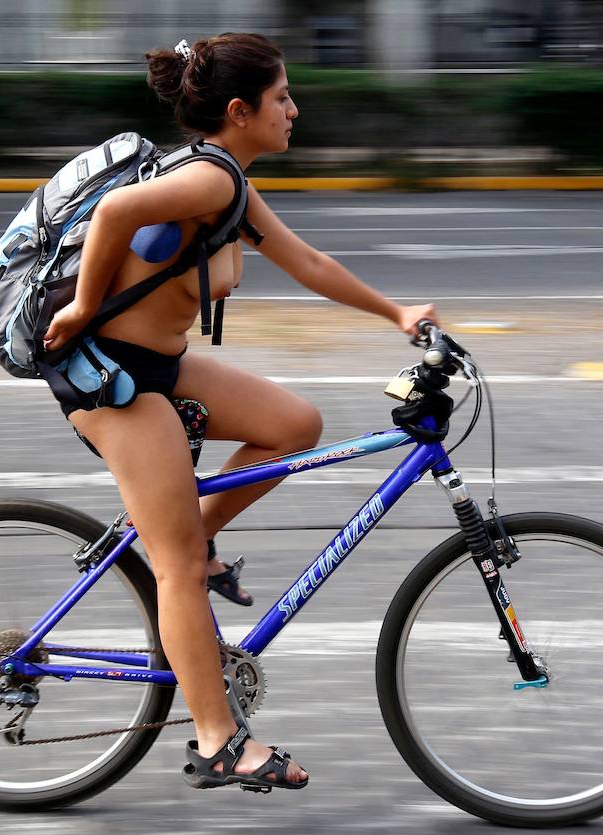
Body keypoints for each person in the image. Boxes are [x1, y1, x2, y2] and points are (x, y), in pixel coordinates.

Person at [41, 32, 437, 792]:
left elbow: (309, 262)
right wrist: (87, 303)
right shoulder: (210, 184)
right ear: (239, 111)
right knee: (181, 567)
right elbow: (117, 211)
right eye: (282, 97)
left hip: (157, 364)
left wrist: (396, 312)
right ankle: (219, 739)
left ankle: (176, 539)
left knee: (293, 426)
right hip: (112, 378)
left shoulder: (230, 184)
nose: (294, 109)